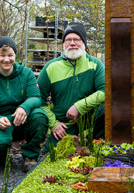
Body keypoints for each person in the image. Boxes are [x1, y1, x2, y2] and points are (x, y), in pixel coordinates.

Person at [0, 36, 49, 172]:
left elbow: (35, 97)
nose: (6, 59)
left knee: (40, 116)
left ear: (15, 55)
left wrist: (24, 107)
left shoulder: (26, 74)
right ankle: (1, 154)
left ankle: (30, 157)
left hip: (21, 121)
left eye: (10, 55)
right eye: (2, 55)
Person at [37, 22, 105, 150]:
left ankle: (94, 141)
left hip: (90, 124)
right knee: (51, 154)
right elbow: (39, 99)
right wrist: (54, 124)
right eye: (68, 40)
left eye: (77, 39)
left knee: (106, 108)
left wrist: (79, 106)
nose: (72, 43)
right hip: (64, 126)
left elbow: (104, 91)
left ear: (84, 42)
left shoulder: (95, 65)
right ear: (63, 44)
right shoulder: (51, 67)